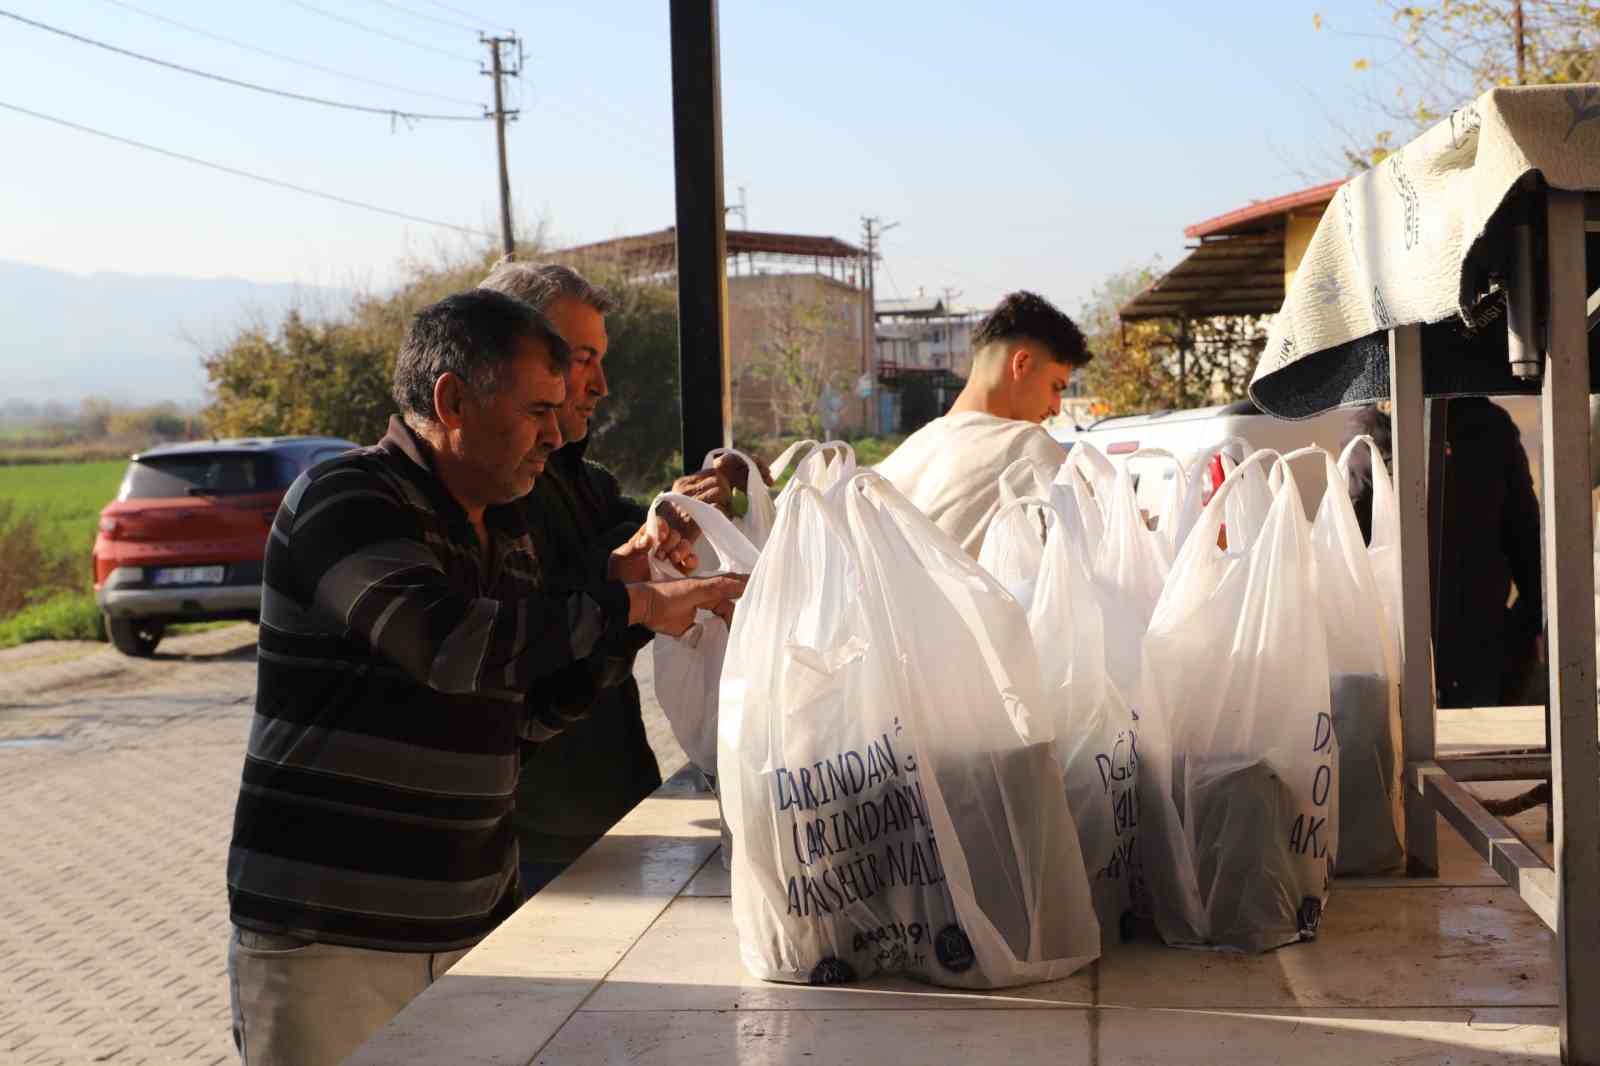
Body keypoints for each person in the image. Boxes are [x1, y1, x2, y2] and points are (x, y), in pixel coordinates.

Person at [224, 289, 744, 1066]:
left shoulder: (504, 528)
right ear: (453, 399)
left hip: (473, 928)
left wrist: (628, 617)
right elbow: (447, 647)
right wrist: (626, 601)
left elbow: (524, 712)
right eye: (538, 411)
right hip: (332, 943)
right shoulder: (349, 497)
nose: (554, 434)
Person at [479, 261, 704, 896]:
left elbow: (645, 541)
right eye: (579, 358)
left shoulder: (589, 482)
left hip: (614, 811)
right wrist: (627, 580)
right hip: (535, 841)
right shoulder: (486, 501)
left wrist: (688, 515)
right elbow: (534, 634)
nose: (600, 383)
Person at [1342, 397, 1542, 708]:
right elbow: (1351, 548)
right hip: (1407, 642)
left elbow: (1526, 540)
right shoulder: (1370, 433)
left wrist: (1528, 624)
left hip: (1476, 640)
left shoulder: (1490, 424)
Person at [875, 290, 1091, 556]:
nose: (1056, 407)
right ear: (1021, 364)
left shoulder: (903, 455)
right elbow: (1100, 549)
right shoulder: (1026, 447)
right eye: (1055, 387)